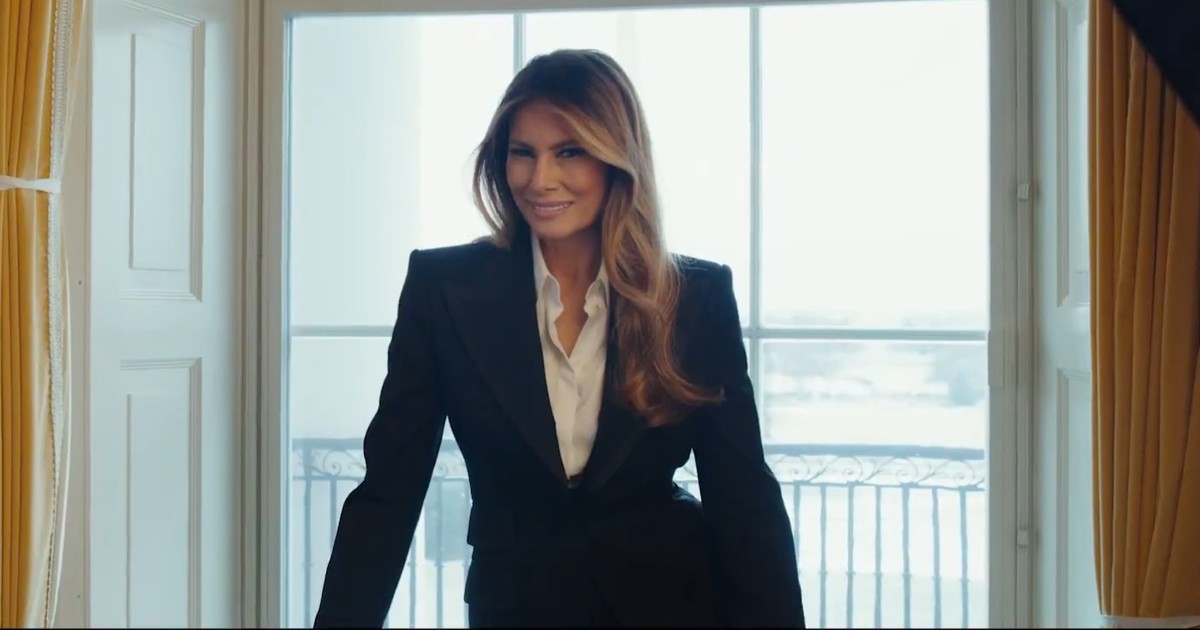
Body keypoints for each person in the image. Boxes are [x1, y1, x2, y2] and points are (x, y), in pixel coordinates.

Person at [312, 49, 806, 629]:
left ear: (617, 159)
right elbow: (388, 493)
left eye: (569, 151)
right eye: (523, 153)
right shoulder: (443, 290)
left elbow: (742, 495)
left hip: (674, 603)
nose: (540, 179)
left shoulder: (693, 297)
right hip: (515, 610)